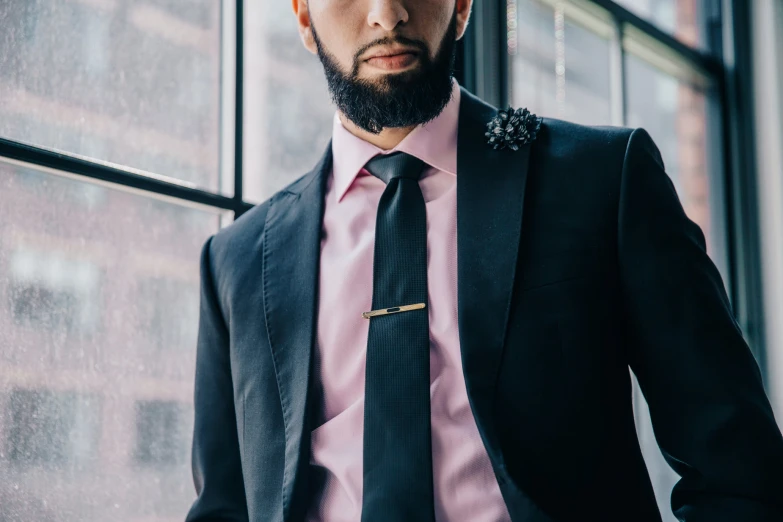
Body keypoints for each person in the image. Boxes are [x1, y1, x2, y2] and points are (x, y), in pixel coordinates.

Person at [185, 0, 783, 520]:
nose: (387, 14)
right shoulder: (235, 262)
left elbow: (739, 470)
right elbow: (223, 509)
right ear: (303, 17)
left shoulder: (604, 179)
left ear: (463, 3)